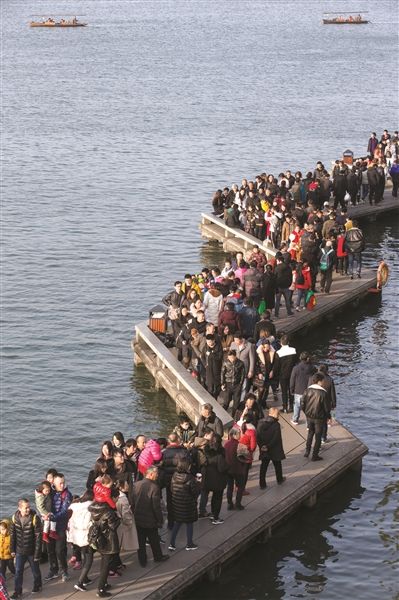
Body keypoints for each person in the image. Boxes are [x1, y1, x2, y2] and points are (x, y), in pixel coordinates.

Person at [131, 466, 169, 567]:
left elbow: (132, 502)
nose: (157, 476)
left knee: (141, 541)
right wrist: (160, 519)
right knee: (154, 539)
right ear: (151, 474)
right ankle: (158, 557)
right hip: (150, 518)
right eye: (156, 474)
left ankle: (142, 560)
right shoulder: (154, 487)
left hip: (138, 517)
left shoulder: (136, 485)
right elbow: (156, 506)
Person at [88, 494, 120, 597]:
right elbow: (113, 526)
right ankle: (101, 589)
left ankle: (104, 584)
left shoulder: (93, 510)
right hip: (108, 540)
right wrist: (118, 518)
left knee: (104, 562)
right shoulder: (109, 512)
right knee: (106, 565)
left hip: (99, 539)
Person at [10, 499, 42, 599]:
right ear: (19, 508)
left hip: (31, 551)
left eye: (29, 507)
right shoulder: (14, 518)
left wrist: (37, 553)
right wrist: (12, 550)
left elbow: (38, 537)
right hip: (19, 550)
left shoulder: (35, 518)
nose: (28, 509)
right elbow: (12, 534)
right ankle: (17, 591)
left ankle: (38, 584)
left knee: (35, 570)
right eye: (26, 508)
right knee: (18, 571)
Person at [168, 457, 201, 551]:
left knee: (177, 523)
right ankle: (189, 544)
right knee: (189, 523)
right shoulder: (190, 478)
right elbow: (195, 492)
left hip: (177, 504)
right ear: (187, 466)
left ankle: (172, 544)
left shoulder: (174, 475)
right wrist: (198, 483)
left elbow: (171, 489)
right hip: (188, 505)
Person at [45, 473, 72, 583]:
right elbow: (40, 500)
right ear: (54, 483)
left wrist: (54, 517)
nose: (62, 484)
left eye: (63, 482)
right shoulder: (49, 492)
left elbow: (65, 510)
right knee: (50, 550)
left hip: (60, 526)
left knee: (59, 550)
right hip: (49, 525)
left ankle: (64, 571)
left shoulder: (67, 494)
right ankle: (53, 570)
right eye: (60, 483)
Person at [161, 433, 190, 530]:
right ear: (177, 440)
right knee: (181, 500)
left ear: (169, 441)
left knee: (170, 501)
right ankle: (180, 520)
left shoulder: (164, 453)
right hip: (182, 480)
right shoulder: (184, 451)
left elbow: (162, 467)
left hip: (169, 481)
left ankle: (170, 523)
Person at [198, 434, 228, 524]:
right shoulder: (221, 453)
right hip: (218, 479)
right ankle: (215, 517)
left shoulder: (205, 450)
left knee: (204, 495)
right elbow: (222, 468)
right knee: (217, 498)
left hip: (206, 477)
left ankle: (203, 511)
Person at [69, 491, 94, 593]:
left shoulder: (74, 505)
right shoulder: (89, 508)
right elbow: (86, 524)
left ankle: (86, 579)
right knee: (89, 560)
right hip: (85, 537)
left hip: (76, 536)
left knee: (84, 556)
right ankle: (80, 582)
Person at [301, 373, 330, 461]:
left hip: (309, 416)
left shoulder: (307, 390)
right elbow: (326, 408)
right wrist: (328, 417)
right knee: (318, 436)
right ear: (320, 381)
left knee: (310, 433)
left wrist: (306, 412)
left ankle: (307, 451)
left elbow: (302, 403)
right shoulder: (323, 393)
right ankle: (315, 455)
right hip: (319, 418)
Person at [257, 408, 286, 489]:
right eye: (277, 414)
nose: (278, 415)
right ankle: (279, 479)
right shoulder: (276, 425)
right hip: (274, 449)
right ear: (273, 414)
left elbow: (258, 436)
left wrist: (262, 446)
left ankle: (262, 484)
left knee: (263, 467)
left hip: (264, 449)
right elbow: (276, 438)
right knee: (277, 465)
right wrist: (268, 446)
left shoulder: (260, 422)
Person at [289, 351, 316, 425]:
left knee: (297, 405)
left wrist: (291, 389)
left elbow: (292, 379)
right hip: (309, 391)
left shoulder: (296, 368)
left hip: (298, 390)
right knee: (308, 407)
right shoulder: (312, 368)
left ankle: (295, 419)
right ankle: (308, 423)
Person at [224, 429, 246, 510]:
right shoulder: (239, 445)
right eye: (239, 433)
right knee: (240, 487)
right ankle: (238, 503)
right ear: (233, 435)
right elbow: (245, 457)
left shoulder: (226, 444)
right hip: (238, 469)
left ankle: (230, 504)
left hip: (228, 469)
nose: (240, 435)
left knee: (229, 487)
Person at [255, 339, 280, 408]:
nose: (266, 349)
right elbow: (255, 364)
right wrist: (259, 373)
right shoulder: (258, 353)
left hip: (269, 374)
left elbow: (276, 363)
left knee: (266, 390)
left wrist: (272, 371)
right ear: (262, 346)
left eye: (268, 347)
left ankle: (263, 403)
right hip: (261, 374)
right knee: (261, 390)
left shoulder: (273, 352)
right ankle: (259, 404)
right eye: (265, 347)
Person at [277, 335, 297, 413]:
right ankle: (291, 406)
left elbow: (277, 366)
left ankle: (285, 407)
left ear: (281, 343)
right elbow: (296, 362)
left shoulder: (278, 353)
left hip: (283, 375)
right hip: (292, 374)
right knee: (291, 390)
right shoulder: (294, 350)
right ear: (288, 342)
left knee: (284, 391)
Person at [317, 364, 337, 444]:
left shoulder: (315, 377)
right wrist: (334, 403)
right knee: (325, 421)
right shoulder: (330, 379)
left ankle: (318, 435)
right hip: (326, 403)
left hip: (317, 402)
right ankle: (323, 437)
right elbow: (332, 393)